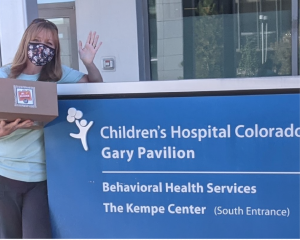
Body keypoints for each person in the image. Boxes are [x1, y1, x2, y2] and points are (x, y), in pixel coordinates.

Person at [0, 18, 103, 239]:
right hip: (5, 175)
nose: (41, 47)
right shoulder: (4, 76)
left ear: (55, 50)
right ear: (26, 41)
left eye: (49, 43)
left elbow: (96, 87)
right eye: (36, 40)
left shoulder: (58, 75)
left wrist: (88, 62)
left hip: (41, 178)